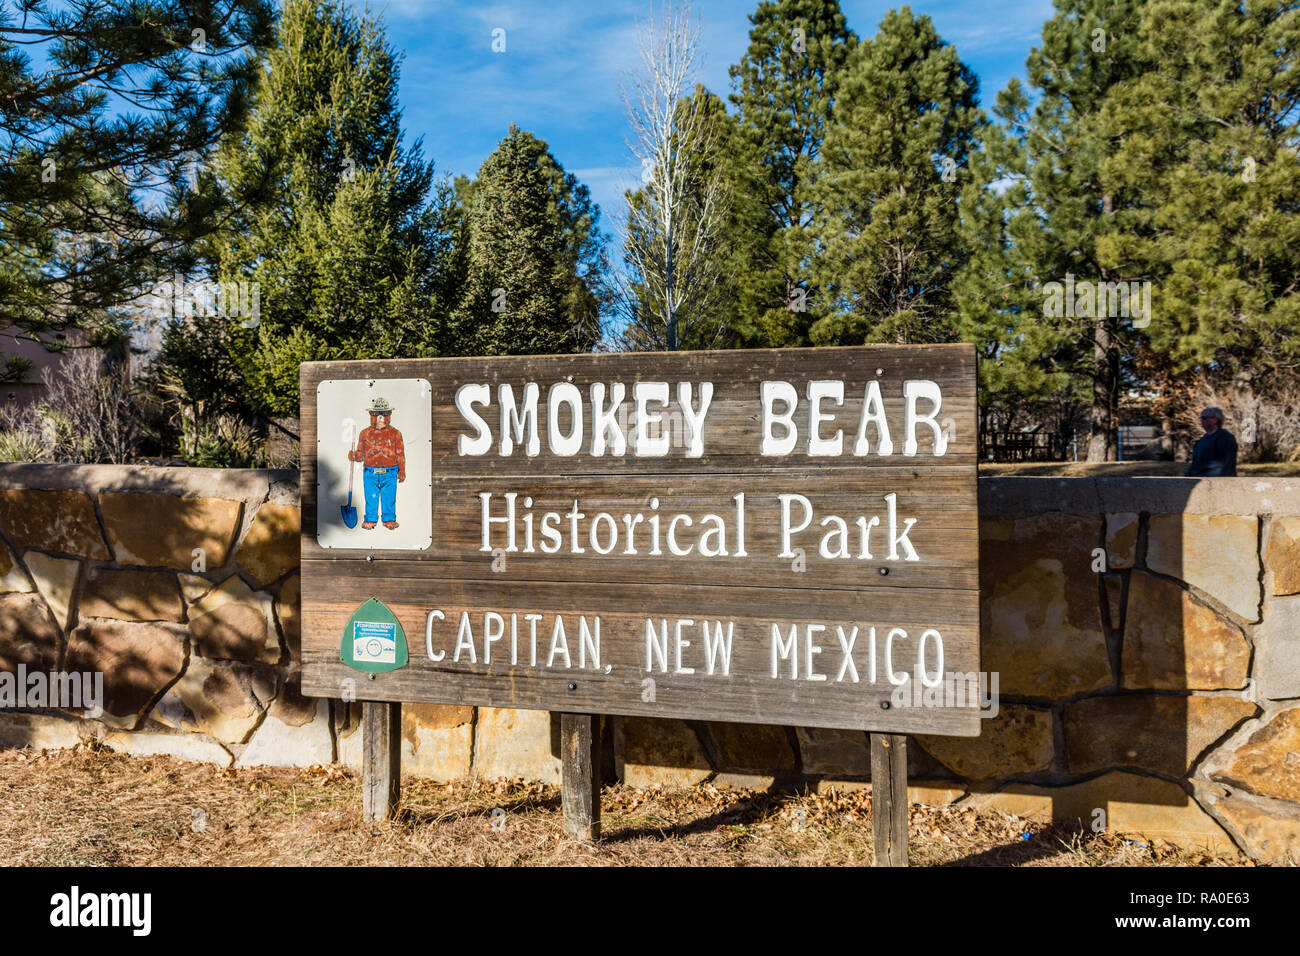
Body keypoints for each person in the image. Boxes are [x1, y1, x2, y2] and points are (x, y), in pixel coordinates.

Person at [348, 397, 406, 529]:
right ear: (371, 415)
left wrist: (402, 470)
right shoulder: (365, 433)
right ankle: (370, 519)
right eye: (376, 414)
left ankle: (389, 519)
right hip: (370, 472)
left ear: (389, 416)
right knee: (371, 497)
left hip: (390, 472)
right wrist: (354, 456)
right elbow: (360, 454)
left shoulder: (396, 434)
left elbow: (400, 453)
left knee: (389, 498)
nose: (380, 418)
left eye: (384, 414)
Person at [1187, 407, 1237, 477]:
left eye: (1204, 418)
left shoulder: (1224, 437)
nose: (1201, 421)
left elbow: (1226, 464)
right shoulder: (1202, 440)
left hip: (1214, 481)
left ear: (1215, 420)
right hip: (1198, 480)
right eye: (1201, 418)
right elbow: (1196, 463)